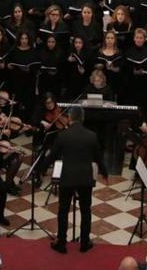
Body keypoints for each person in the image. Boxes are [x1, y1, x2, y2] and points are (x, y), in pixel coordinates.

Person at [49, 106, 108, 254]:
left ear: (70, 118)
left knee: (63, 210)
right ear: (82, 118)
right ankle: (84, 242)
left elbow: (52, 155)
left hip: (67, 177)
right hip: (85, 177)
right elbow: (99, 157)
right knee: (85, 210)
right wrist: (105, 172)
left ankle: (61, 243)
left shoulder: (63, 135)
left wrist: (40, 169)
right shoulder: (92, 135)